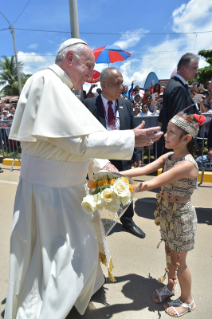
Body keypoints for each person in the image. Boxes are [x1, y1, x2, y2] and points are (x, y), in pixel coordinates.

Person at [5, 38, 163, 319]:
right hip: (51, 194)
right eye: (88, 66)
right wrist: (129, 138)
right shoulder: (45, 81)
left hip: (66, 191)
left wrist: (104, 164)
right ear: (69, 59)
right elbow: (73, 142)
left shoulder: (63, 89)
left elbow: (75, 139)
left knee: (75, 256)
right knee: (60, 261)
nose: (91, 74)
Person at [122, 111, 206, 317]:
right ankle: (170, 286)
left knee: (181, 262)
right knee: (170, 254)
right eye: (166, 131)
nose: (165, 135)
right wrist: (114, 174)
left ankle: (187, 301)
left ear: (186, 139)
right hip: (168, 213)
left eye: (171, 132)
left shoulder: (186, 164)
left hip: (181, 218)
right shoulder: (169, 156)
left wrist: (118, 188)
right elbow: (144, 170)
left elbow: (151, 183)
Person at [83, 67, 146, 239]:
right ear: (104, 85)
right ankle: (93, 222)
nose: (122, 87)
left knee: (125, 188)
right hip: (99, 158)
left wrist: (137, 155)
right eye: (117, 84)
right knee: (95, 191)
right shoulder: (88, 105)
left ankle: (127, 220)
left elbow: (134, 132)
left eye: (122, 83)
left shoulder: (126, 104)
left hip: (122, 156)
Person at [161, 53, 200, 153]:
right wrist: (197, 121)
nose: (196, 72)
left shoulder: (175, 85)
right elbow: (178, 121)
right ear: (183, 68)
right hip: (179, 148)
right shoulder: (178, 87)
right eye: (194, 68)